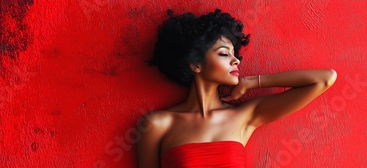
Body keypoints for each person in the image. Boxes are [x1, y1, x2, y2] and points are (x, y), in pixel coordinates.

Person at [136, 8, 337, 168]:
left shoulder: (244, 116)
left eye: (235, 55)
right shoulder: (157, 124)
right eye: (224, 54)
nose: (236, 61)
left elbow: (325, 79)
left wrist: (252, 82)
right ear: (195, 65)